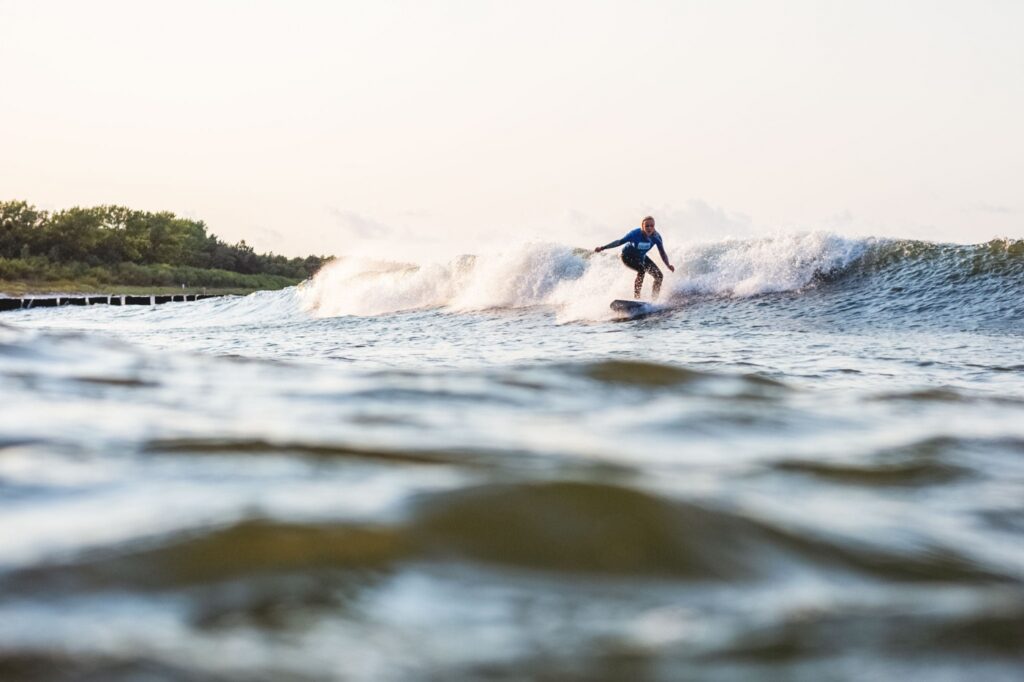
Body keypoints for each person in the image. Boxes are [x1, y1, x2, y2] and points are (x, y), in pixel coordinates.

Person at [594, 215, 675, 300]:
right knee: (641, 270)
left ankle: (654, 300)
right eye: (647, 226)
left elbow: (662, 252)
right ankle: (637, 298)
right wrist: (603, 248)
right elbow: (619, 242)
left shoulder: (656, 237)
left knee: (659, 276)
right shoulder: (634, 234)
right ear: (642, 226)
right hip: (627, 257)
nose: (649, 228)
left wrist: (668, 265)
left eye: (652, 226)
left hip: (641, 257)